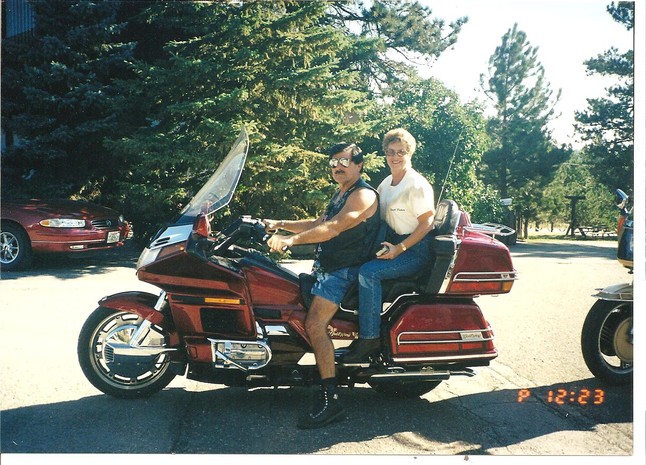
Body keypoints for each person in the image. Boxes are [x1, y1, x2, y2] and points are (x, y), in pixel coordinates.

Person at [264, 142, 380, 429]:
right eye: (333, 162)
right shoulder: (341, 192)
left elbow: (333, 228)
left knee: (315, 324)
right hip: (330, 269)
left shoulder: (363, 195)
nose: (337, 166)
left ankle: (331, 400)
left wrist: (290, 241)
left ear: (359, 165)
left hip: (345, 272)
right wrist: (280, 223)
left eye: (344, 161)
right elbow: (319, 222)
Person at [341, 128, 435, 365]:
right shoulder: (387, 182)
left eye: (401, 152)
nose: (395, 157)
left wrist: (399, 248)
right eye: (391, 152)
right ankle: (349, 330)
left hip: (414, 250)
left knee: (369, 273)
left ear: (409, 153)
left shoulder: (416, 185)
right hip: (392, 242)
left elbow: (427, 223)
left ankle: (369, 339)